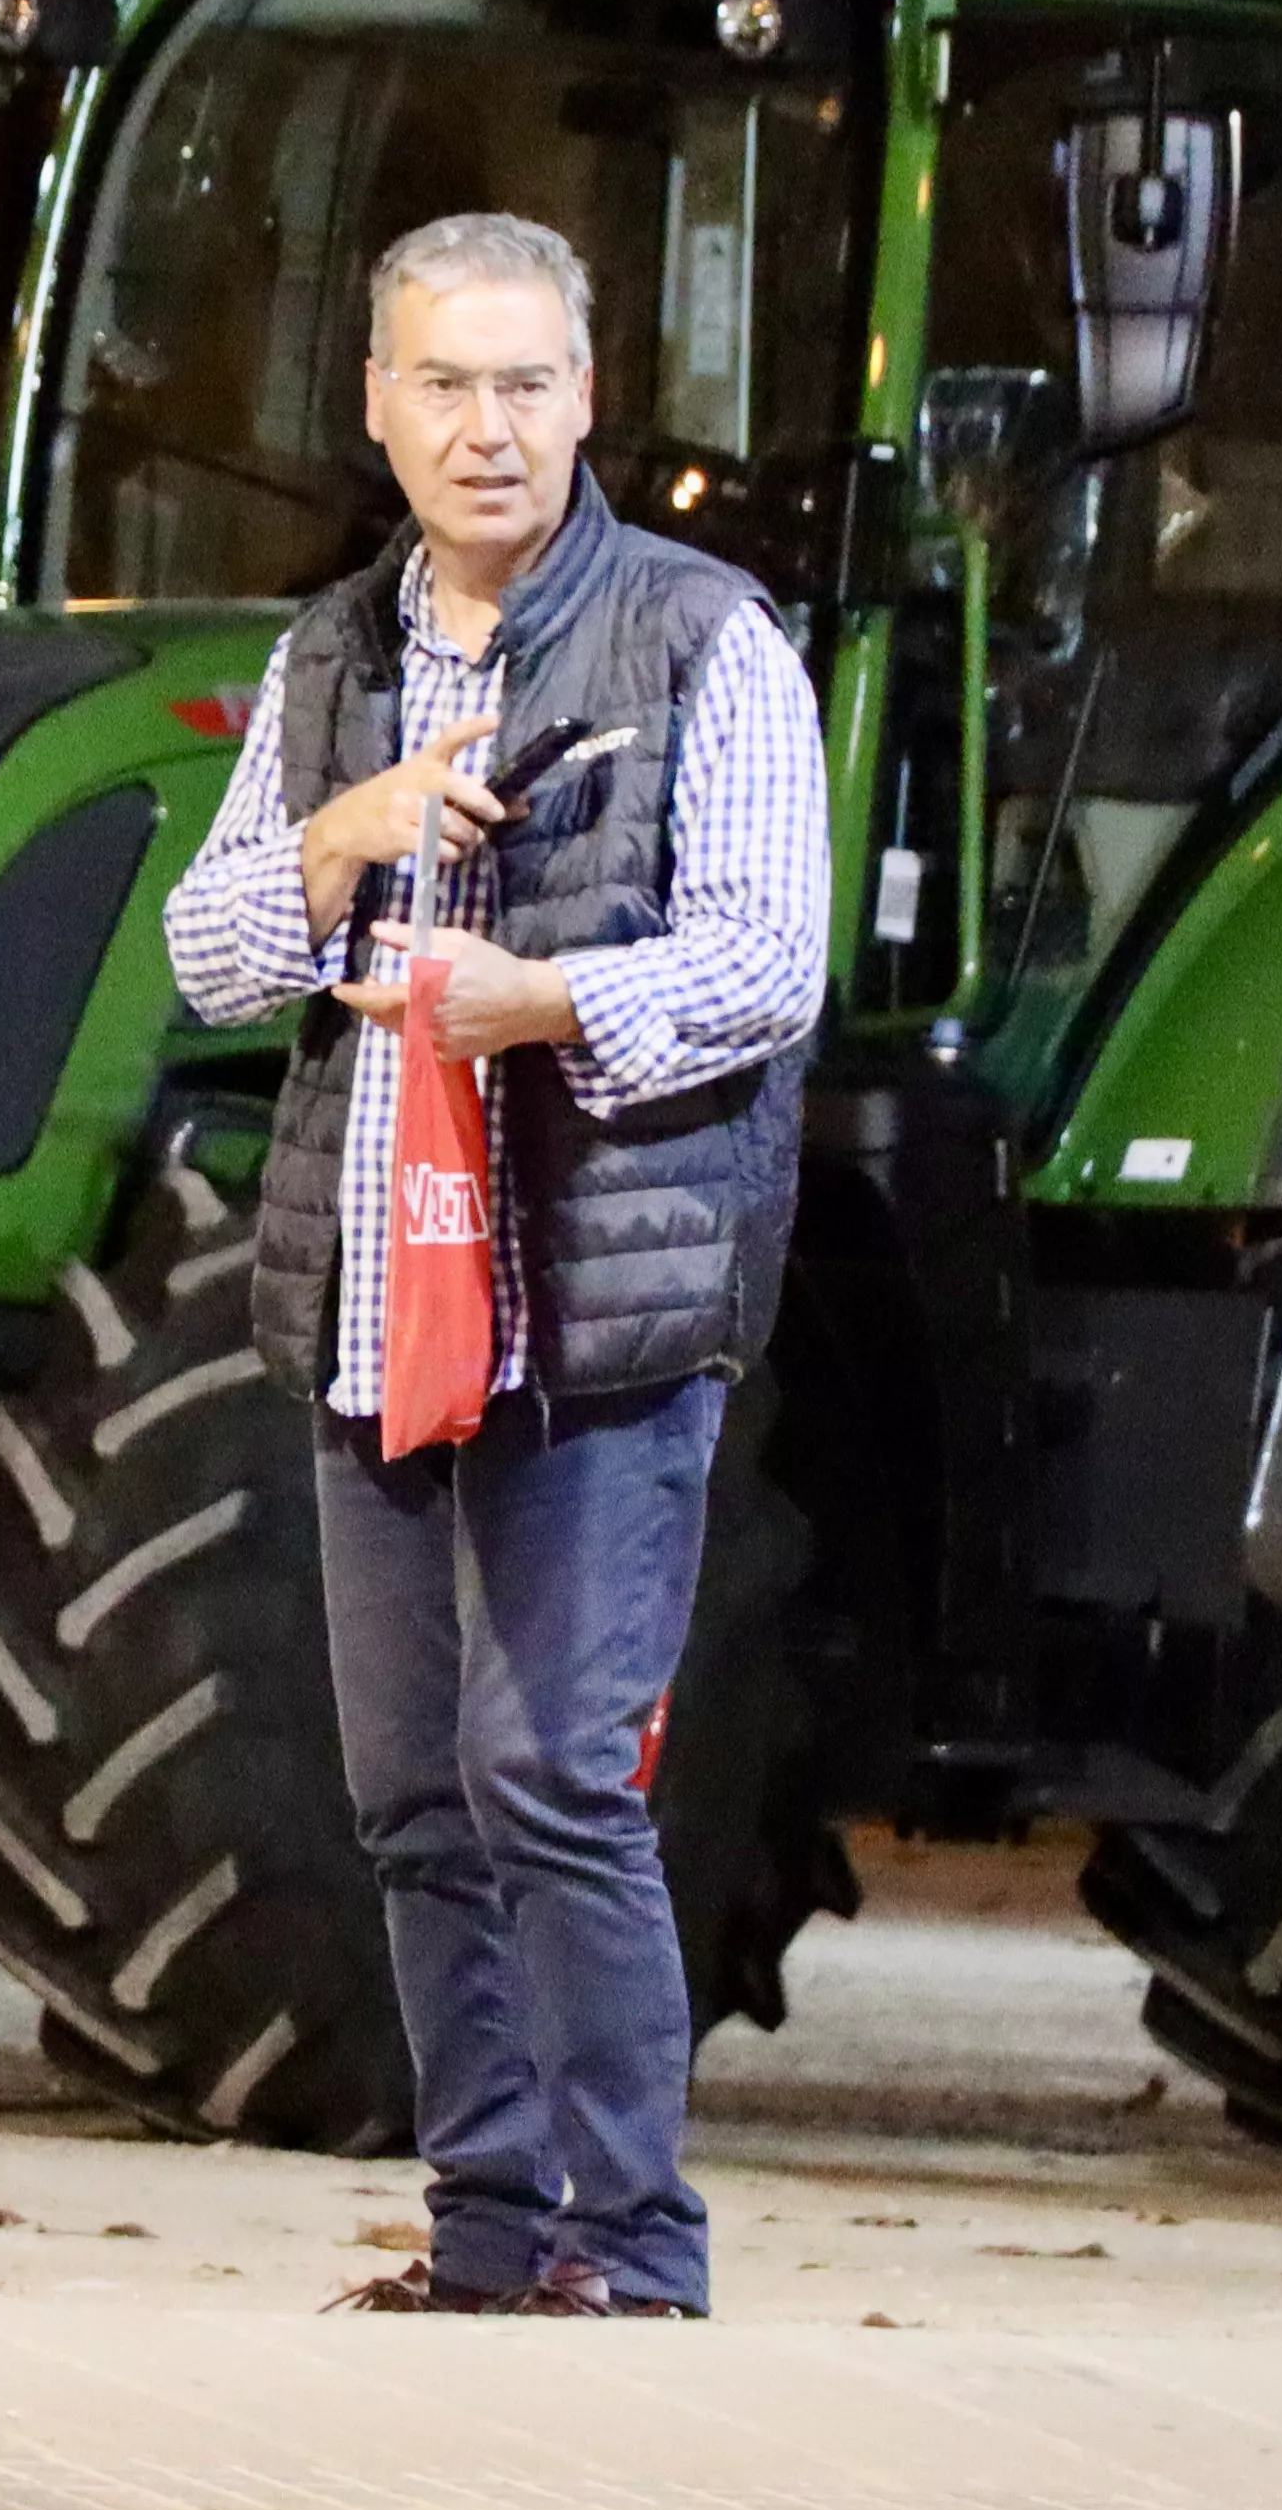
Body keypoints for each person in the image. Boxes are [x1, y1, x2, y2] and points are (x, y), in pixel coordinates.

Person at [157, 210, 831, 2318]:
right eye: (445, 382)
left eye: (527, 382)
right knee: (412, 1793)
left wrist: (534, 999)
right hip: (380, 1298)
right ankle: (481, 2234)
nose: (488, 426)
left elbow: (768, 958)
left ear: (588, 397)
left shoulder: (706, 642)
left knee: (550, 1773)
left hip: (593, 1304)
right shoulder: (325, 663)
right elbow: (204, 951)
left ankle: (633, 2243)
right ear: (375, 404)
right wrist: (338, 838)